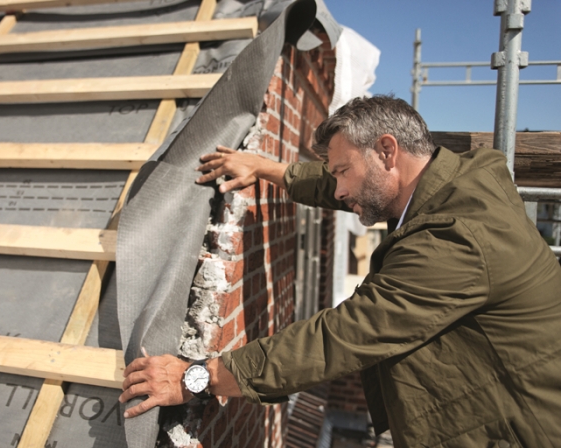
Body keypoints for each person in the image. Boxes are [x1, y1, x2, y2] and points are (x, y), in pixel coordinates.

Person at [119, 96, 561, 447]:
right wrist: (265, 169)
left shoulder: (457, 239)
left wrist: (198, 377)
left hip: (514, 431)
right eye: (336, 173)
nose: (341, 188)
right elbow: (341, 187)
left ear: (388, 150)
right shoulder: (447, 185)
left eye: (344, 170)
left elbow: (344, 335)